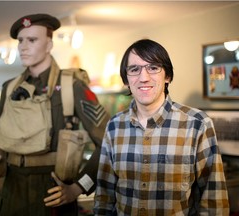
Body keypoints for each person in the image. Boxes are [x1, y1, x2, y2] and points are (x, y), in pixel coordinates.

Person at [0, 13, 109, 216]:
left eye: (32, 40)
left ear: (49, 44)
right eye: (20, 41)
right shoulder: (9, 88)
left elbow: (108, 143)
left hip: (53, 191)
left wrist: (78, 188)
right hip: (11, 191)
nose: (23, 47)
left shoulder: (72, 86)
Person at [93, 39, 230, 215]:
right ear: (126, 80)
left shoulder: (197, 124)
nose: (143, 77)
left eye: (153, 68)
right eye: (135, 69)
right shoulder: (114, 126)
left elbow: (214, 201)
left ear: (167, 76)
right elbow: (104, 195)